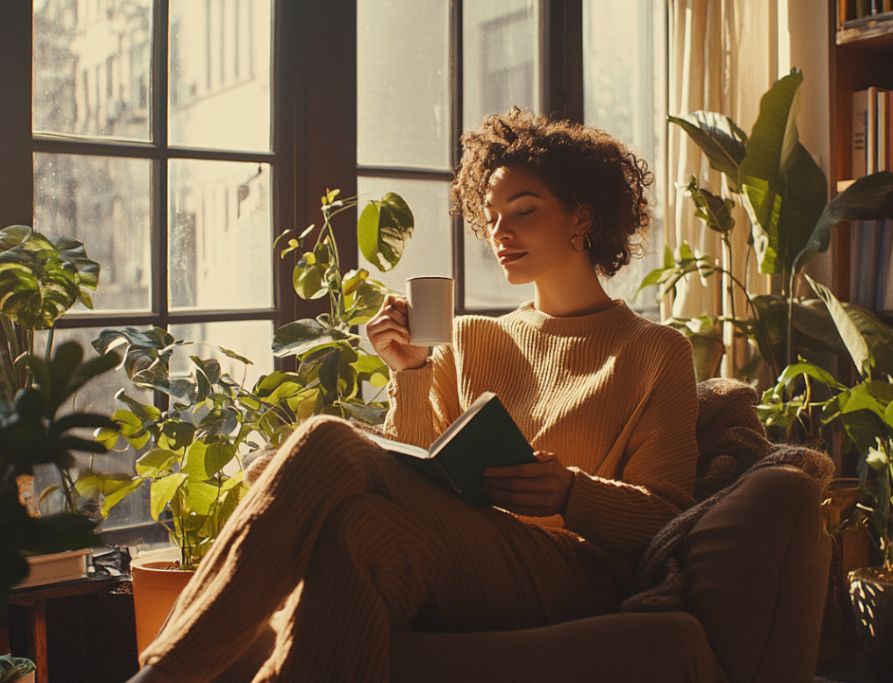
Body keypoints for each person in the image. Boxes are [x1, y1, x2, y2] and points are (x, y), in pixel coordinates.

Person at [130, 107, 699, 683]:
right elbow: (417, 472)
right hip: (461, 553)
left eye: (523, 212)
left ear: (583, 217)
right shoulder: (473, 335)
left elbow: (669, 515)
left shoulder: (655, 351)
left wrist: (571, 491)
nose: (500, 233)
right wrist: (409, 371)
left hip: (573, 575)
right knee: (358, 530)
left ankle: (163, 675)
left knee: (328, 437)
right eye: (491, 216)